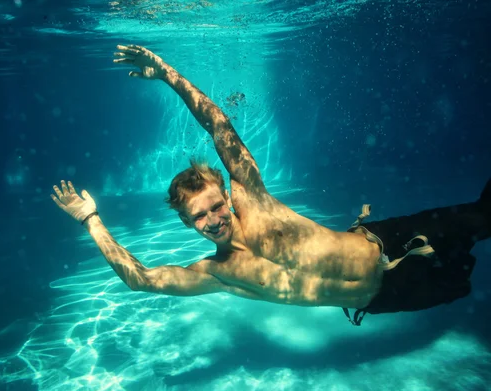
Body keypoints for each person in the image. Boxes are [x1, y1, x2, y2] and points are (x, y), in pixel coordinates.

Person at [51, 44, 490, 325]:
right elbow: (142, 280)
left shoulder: (254, 202)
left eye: (214, 205)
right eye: (198, 216)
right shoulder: (219, 275)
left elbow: (218, 125)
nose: (213, 220)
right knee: (461, 287)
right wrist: (91, 219)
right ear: (186, 223)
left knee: (484, 218)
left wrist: (169, 76)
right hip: (387, 296)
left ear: (226, 192)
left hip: (387, 240)